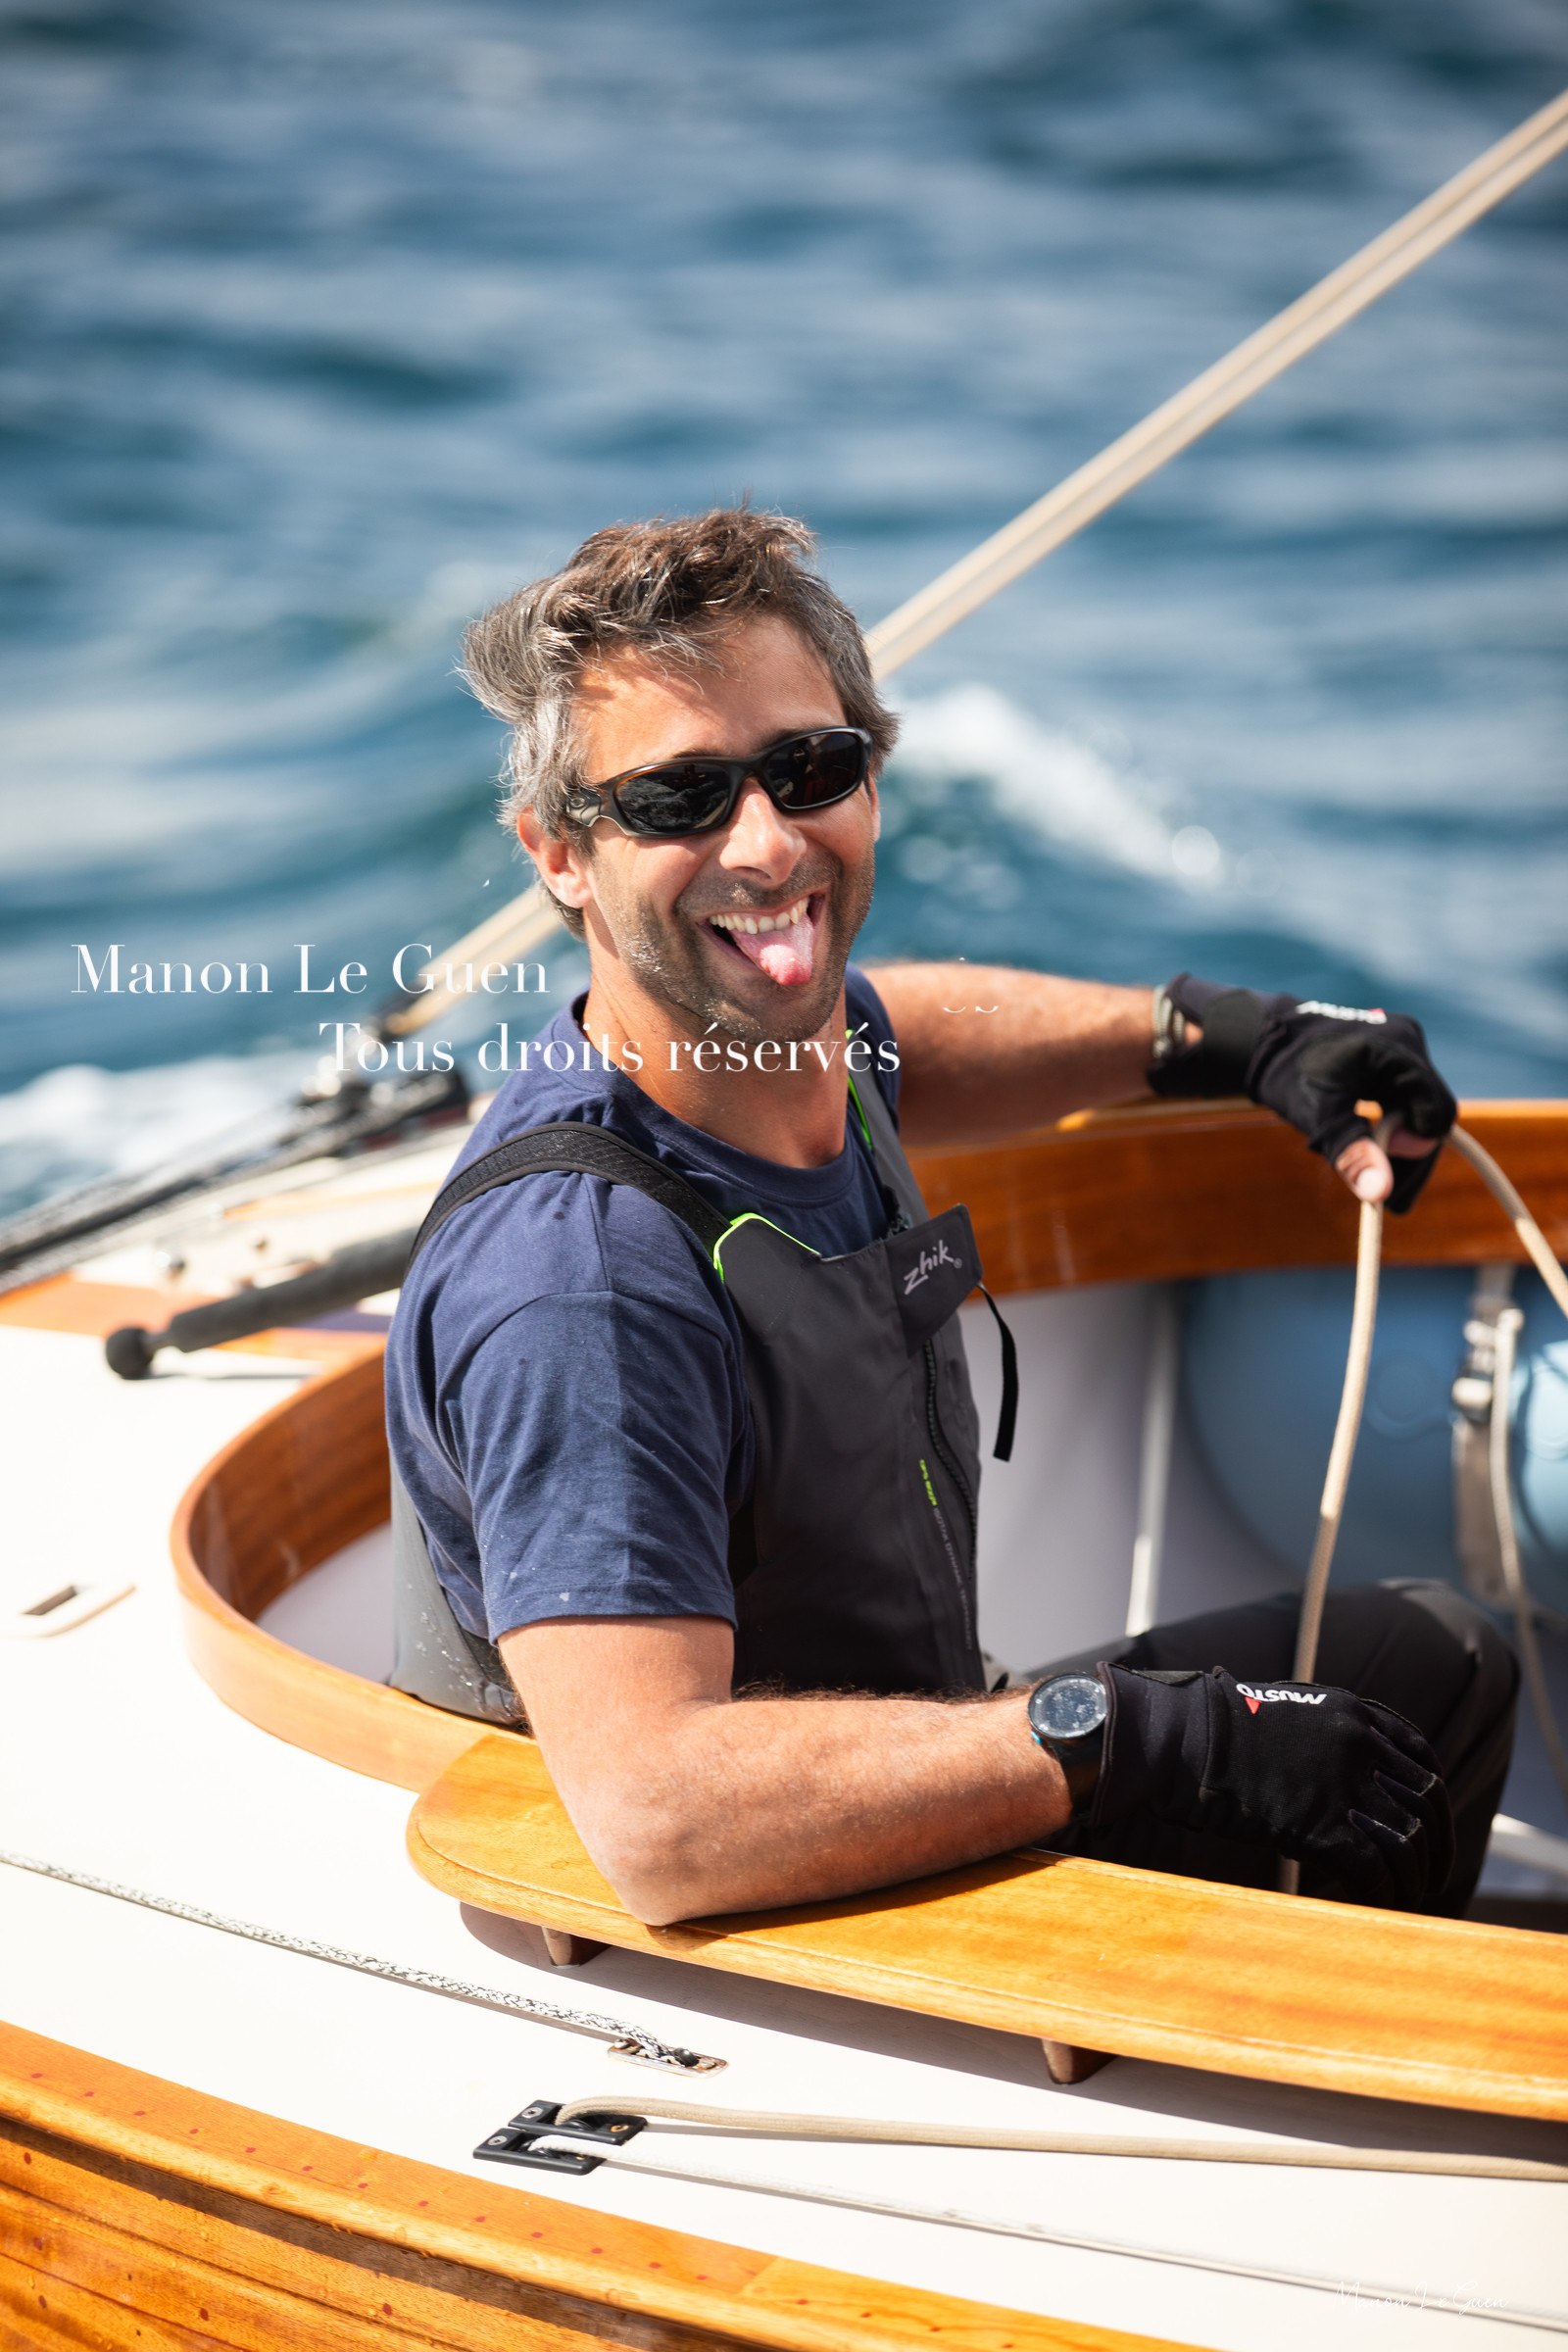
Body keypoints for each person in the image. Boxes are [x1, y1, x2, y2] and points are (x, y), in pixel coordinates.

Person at [385, 507, 1515, 1932]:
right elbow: (657, 1815)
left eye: (809, 769)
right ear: (560, 853)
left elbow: (911, 1027)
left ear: (870, 775)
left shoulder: (786, 1048)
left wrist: (1225, 1036)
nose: (767, 844)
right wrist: (1125, 1737)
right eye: (680, 799)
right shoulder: (582, 1282)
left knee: (1437, 1667)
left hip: (907, 1776)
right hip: (776, 1937)